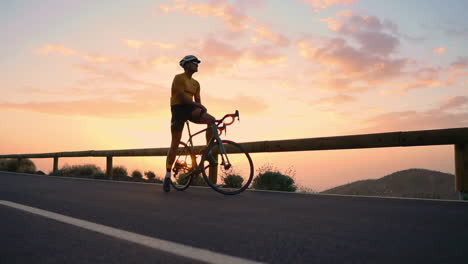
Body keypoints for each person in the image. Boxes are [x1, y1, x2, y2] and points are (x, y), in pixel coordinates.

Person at [163, 55, 216, 192]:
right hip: (178, 109)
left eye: (197, 63)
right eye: (194, 62)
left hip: (190, 108)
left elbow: (197, 101)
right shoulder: (178, 78)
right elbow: (181, 97)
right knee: (175, 143)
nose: (197, 64)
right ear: (186, 65)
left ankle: (207, 151)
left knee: (211, 120)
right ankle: (168, 176)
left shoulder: (196, 83)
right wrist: (198, 106)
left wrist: (202, 109)